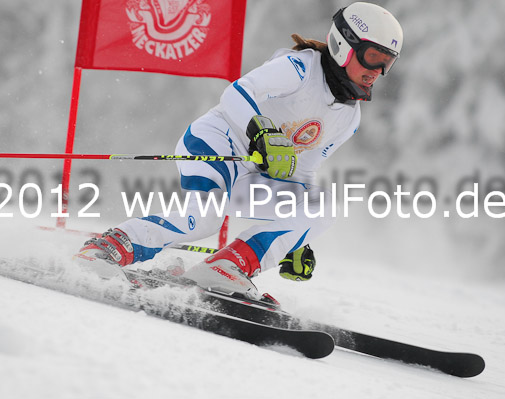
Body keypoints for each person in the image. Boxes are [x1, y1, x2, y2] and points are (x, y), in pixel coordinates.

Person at [75, 2, 404, 299]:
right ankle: (105, 249)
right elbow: (236, 93)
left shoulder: (349, 116)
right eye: (372, 57)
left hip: (253, 175)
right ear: (343, 46)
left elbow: (302, 171)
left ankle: (227, 266)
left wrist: (294, 238)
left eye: (386, 63)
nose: (377, 71)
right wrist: (261, 130)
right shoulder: (300, 68)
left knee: (324, 205)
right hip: (216, 146)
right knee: (202, 220)